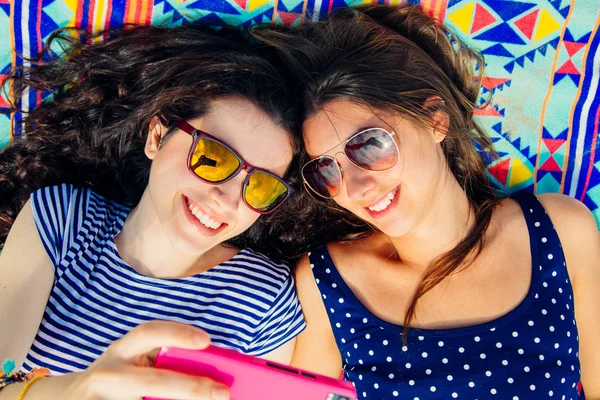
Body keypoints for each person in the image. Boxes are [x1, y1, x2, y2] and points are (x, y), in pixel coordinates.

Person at [254, 5, 600, 399]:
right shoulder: (327, 281)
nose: (358, 187)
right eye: (327, 172)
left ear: (435, 119)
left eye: (369, 145)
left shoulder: (559, 231)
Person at [0, 23, 305, 399]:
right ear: (156, 136)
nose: (228, 200)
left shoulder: (266, 298)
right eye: (212, 157)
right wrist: (80, 389)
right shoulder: (61, 220)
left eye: (261, 185)